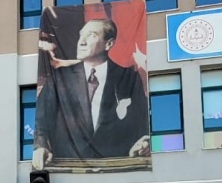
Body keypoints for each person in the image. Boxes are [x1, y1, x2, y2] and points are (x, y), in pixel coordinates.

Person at [32, 18, 150, 168]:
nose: (81, 41)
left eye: (91, 35)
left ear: (109, 44)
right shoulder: (58, 79)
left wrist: (143, 143)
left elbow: (141, 122)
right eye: (81, 35)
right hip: (68, 170)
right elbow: (40, 120)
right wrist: (41, 146)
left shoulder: (128, 78)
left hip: (117, 168)